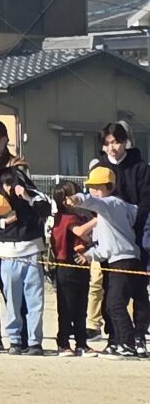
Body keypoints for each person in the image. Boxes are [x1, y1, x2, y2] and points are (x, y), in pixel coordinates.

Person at [68, 163, 142, 356]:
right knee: (112, 304)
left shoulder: (112, 204)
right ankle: (121, 342)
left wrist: (78, 198)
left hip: (123, 261)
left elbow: (95, 203)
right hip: (118, 260)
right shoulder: (106, 214)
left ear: (110, 187)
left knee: (115, 303)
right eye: (91, 187)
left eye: (98, 187)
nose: (94, 191)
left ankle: (128, 344)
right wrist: (88, 256)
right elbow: (104, 248)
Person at [96, 124, 150, 349]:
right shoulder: (101, 168)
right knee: (110, 287)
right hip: (110, 239)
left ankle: (138, 335)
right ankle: (115, 336)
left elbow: (146, 203)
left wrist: (132, 225)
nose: (112, 147)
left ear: (125, 141)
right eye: (107, 143)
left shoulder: (141, 168)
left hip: (137, 236)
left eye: (116, 142)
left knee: (139, 288)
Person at [0, 173, 48, 356]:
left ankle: (35, 341)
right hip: (8, 254)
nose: (10, 188)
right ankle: (14, 340)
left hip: (32, 252)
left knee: (35, 300)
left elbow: (47, 209)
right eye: (6, 184)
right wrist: (2, 221)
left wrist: (27, 197)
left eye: (13, 183)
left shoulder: (34, 194)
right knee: (12, 300)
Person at [49, 183, 91, 357]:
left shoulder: (75, 216)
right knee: (66, 307)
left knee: (81, 307)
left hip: (79, 267)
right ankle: (64, 342)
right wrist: (98, 220)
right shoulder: (66, 218)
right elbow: (81, 232)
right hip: (66, 266)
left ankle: (82, 343)